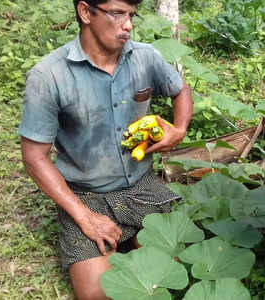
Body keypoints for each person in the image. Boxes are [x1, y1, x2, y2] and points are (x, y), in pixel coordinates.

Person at [18, 0, 193, 298]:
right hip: (85, 194)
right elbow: (34, 157)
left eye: (131, 15)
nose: (128, 25)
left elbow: (181, 89)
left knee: (169, 273)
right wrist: (84, 217)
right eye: (116, 13)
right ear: (86, 12)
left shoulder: (145, 57)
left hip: (142, 184)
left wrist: (179, 128)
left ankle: (134, 240)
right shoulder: (49, 76)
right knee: (99, 293)